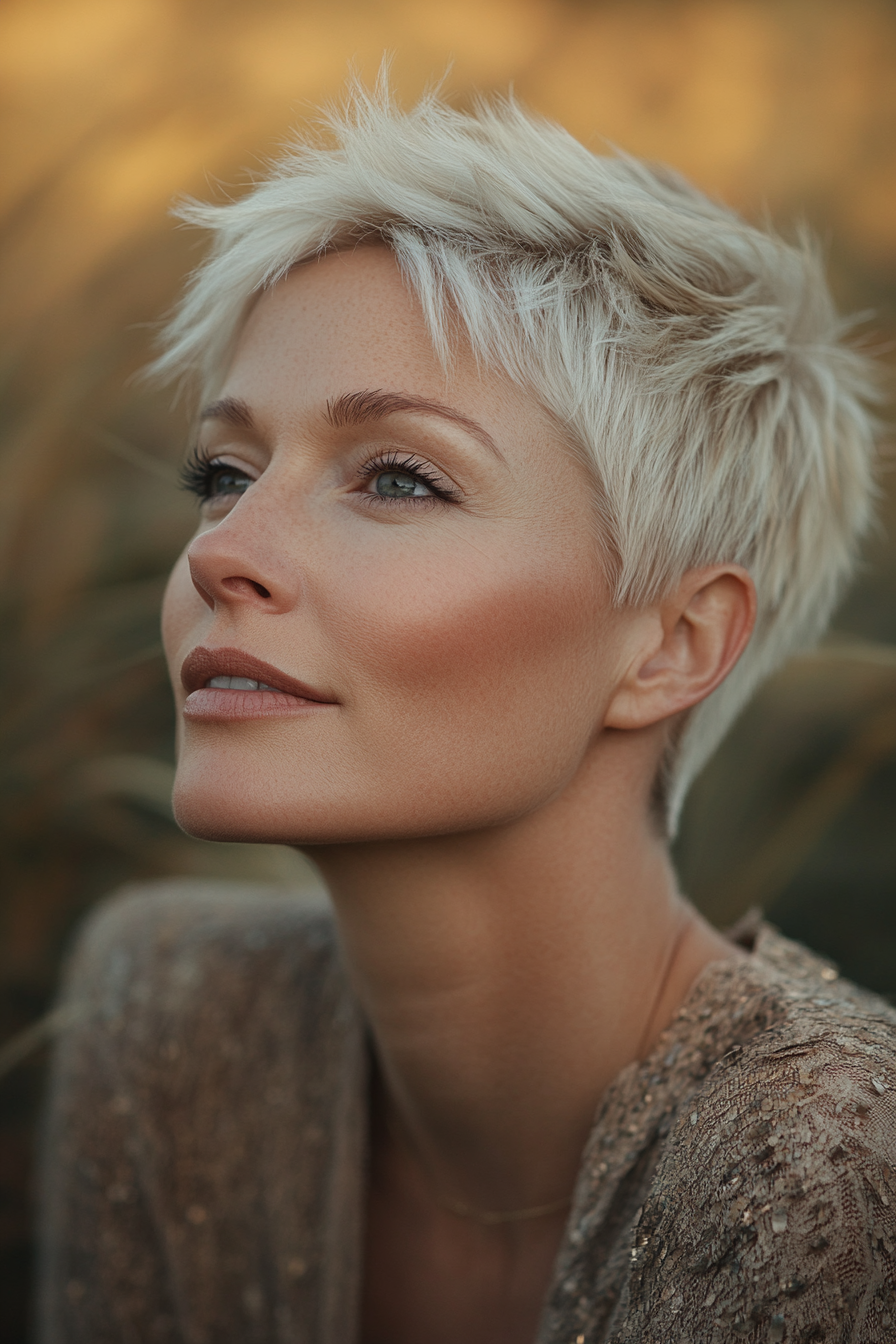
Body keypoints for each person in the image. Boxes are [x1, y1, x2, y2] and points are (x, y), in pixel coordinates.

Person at [38, 83, 896, 1344]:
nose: (225, 552)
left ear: (670, 644)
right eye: (224, 473)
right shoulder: (168, 1009)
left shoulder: (835, 1159)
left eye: (397, 476)